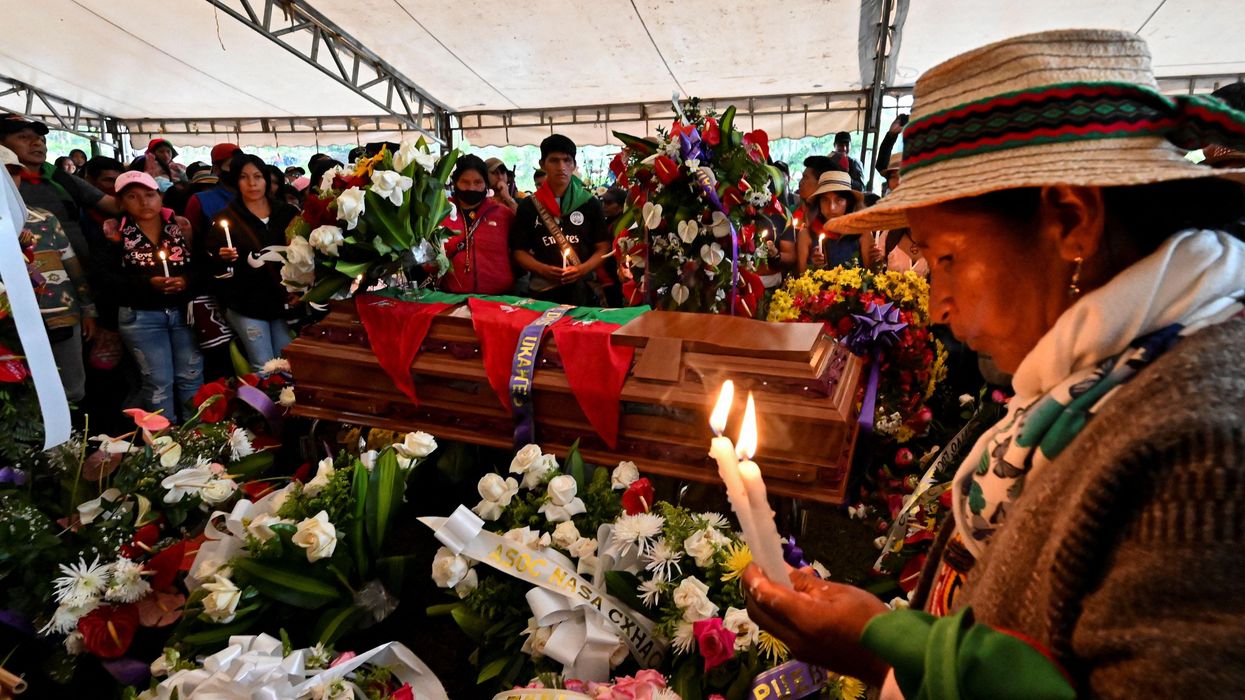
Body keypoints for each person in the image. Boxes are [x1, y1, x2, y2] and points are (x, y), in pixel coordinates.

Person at [744, 28, 1245, 699]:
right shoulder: (1099, 380)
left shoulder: (1203, 450)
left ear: (1071, 222)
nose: (936, 306)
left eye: (947, 259)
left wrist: (885, 651)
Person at [98, 171, 202, 420]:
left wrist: (186, 281)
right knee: (157, 382)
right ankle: (162, 438)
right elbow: (104, 277)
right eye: (133, 196)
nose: (144, 202)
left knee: (191, 376)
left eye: (149, 194)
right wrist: (147, 284)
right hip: (141, 316)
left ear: (160, 197)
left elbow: (202, 266)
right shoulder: (115, 232)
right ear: (121, 202)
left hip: (184, 313)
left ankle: (198, 434)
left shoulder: (180, 226)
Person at [3, 145, 96, 403]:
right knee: (21, 396)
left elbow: (72, 265)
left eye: (14, 173)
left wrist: (88, 309)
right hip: (10, 325)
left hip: (59, 314)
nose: (9, 180)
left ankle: (73, 431)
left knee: (72, 391)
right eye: (3, 173)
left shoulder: (44, 218)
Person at [204, 153, 299, 369]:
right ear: (235, 181)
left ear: (266, 179)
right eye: (243, 177)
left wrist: (299, 289)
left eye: (257, 176)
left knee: (288, 363)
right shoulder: (225, 218)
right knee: (263, 365)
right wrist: (222, 257)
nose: (252, 183)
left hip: (282, 300)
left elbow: (301, 255)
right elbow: (212, 264)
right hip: (245, 303)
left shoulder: (287, 214)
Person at [0, 116, 119, 264]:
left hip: (80, 267)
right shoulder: (4, 183)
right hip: (24, 270)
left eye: (40, 139)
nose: (37, 143)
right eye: (23, 137)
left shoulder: (60, 177)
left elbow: (114, 206)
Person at [511, 134, 611, 305]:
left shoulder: (590, 203)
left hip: (583, 291)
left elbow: (603, 247)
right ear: (542, 164)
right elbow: (519, 252)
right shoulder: (529, 206)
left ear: (574, 165)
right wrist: (542, 269)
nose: (561, 167)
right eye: (554, 161)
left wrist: (582, 269)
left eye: (567, 160)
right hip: (543, 292)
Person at [440, 154, 515, 295]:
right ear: (455, 182)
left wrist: (509, 199)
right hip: (451, 297)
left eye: (478, 182)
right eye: (465, 182)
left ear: (486, 183)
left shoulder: (503, 214)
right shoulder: (441, 212)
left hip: (498, 298)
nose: (471, 188)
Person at [796, 170, 875, 272]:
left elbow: (870, 275)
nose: (832, 208)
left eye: (839, 200)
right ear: (818, 203)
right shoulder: (806, 235)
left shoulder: (863, 233)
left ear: (849, 202)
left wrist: (877, 260)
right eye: (825, 200)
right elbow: (801, 277)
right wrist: (813, 266)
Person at [183, 142, 241, 237]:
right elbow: (190, 236)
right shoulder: (200, 200)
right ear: (216, 169)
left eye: (240, 165)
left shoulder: (254, 195)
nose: (237, 169)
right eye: (231, 165)